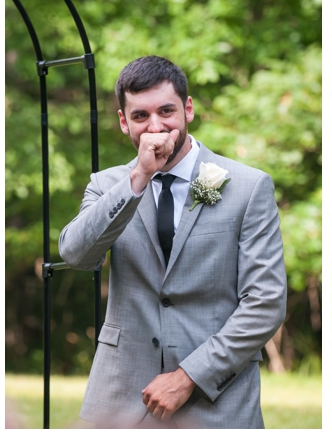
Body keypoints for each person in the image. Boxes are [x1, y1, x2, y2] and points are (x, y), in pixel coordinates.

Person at [59, 56, 287, 428]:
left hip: (217, 400)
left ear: (188, 109)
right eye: (140, 116)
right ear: (123, 122)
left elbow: (265, 303)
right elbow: (76, 255)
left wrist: (188, 377)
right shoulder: (107, 185)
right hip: (121, 399)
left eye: (166, 111)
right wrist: (139, 178)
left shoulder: (248, 187)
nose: (155, 126)